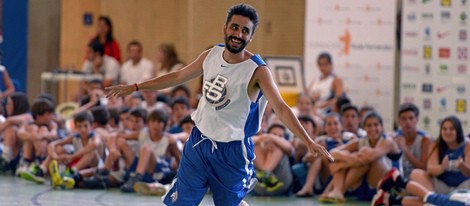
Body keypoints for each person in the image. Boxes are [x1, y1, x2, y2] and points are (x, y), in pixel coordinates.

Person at [106, 3, 333, 205]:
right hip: (198, 142)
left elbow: (282, 108)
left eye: (245, 31)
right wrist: (136, 87)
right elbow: (176, 77)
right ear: (225, 28)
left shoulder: (258, 71)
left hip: (232, 150)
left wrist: (308, 141)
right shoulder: (210, 55)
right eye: (235, 27)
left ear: (250, 37)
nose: (238, 34)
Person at [305, 52, 344, 117]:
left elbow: (338, 99)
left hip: (325, 110)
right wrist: (312, 99)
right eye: (320, 65)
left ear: (331, 65)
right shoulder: (315, 80)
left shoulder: (336, 80)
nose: (323, 68)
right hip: (312, 108)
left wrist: (320, 106)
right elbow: (306, 95)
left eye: (325, 65)